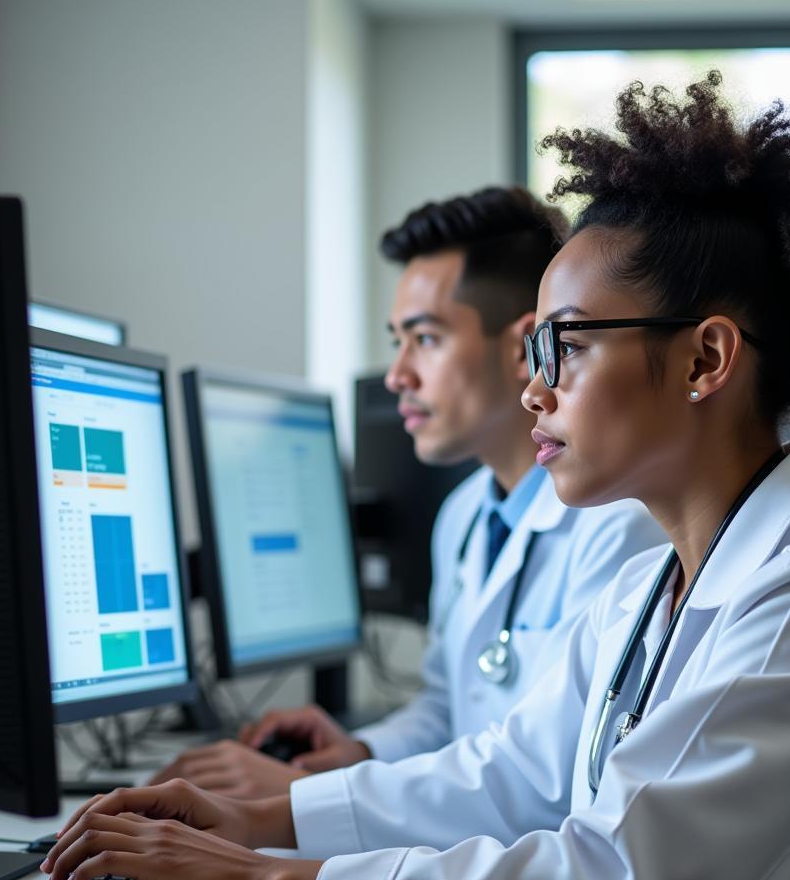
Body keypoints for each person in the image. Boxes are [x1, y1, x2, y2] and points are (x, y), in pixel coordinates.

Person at [42, 72, 790, 880]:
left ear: (705, 360)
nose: (533, 391)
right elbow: (512, 773)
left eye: (566, 348)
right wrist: (264, 817)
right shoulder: (656, 582)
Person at [150, 186, 664, 798]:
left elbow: (546, 777)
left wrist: (295, 800)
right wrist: (358, 752)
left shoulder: (619, 524)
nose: (397, 375)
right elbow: (447, 711)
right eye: (397, 341)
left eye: (424, 339)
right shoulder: (465, 515)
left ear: (523, 347)